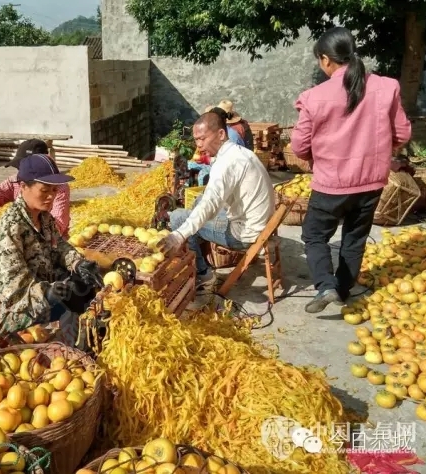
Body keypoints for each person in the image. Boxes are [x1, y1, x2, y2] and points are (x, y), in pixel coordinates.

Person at [291, 27, 411, 314]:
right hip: (371, 182)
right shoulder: (386, 87)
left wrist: (314, 158)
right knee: (354, 237)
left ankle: (326, 286)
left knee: (314, 234)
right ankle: (343, 289)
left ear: (325, 59)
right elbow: (403, 133)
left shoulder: (314, 96)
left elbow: (298, 145)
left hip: (331, 183)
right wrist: (380, 150)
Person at [0, 154, 104, 340]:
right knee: (68, 305)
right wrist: (48, 293)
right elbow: (13, 293)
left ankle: (79, 334)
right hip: (4, 310)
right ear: (24, 187)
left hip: (37, 283)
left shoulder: (44, 217)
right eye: (44, 190)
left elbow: (59, 247)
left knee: (83, 287)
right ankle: (69, 351)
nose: (51, 196)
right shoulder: (10, 229)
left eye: (54, 190)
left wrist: (78, 264)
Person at [160, 111, 275, 287]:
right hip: (259, 222)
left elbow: (210, 204)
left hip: (245, 233)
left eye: (202, 139)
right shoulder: (241, 152)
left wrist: (179, 235)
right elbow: (209, 200)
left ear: (221, 134)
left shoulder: (226, 163)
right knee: (199, 201)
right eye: (196, 140)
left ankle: (203, 273)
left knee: (178, 217)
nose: (198, 146)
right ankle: (200, 248)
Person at [0, 139, 70, 237]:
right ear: (23, 187)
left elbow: (58, 224)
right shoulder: (16, 181)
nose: (51, 195)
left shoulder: (59, 187)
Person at [189, 106, 247, 186]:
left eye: (202, 138)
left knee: (202, 173)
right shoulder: (226, 146)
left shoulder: (232, 137)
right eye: (197, 139)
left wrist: (206, 159)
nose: (199, 144)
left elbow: (225, 162)